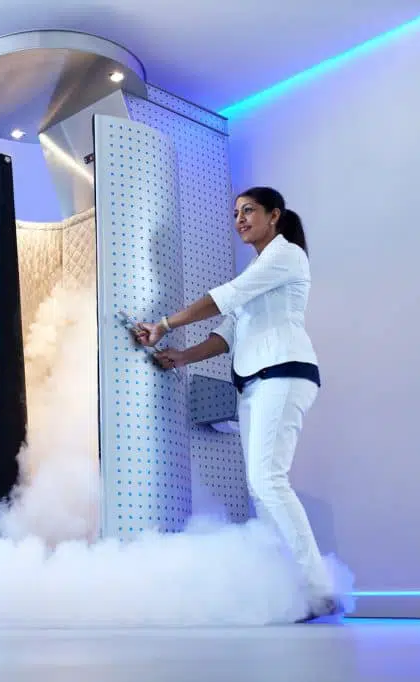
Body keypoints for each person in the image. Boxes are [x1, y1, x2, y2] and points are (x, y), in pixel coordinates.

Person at [132, 186, 341, 622]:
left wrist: (165, 324)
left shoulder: (286, 256)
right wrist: (182, 356)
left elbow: (224, 296)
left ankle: (319, 589)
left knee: (268, 481)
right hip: (253, 384)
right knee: (260, 488)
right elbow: (225, 334)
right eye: (235, 213)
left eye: (249, 211)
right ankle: (287, 590)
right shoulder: (262, 268)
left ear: (274, 215)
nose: (240, 219)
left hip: (284, 373)